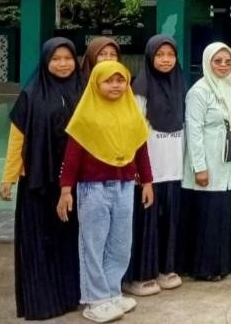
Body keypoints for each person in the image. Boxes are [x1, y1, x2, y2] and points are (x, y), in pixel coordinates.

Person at [57, 61, 153, 323]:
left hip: (124, 186)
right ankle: (95, 299)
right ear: (96, 83)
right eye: (109, 81)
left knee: (121, 244)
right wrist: (66, 190)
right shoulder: (86, 115)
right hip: (93, 187)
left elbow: (140, 149)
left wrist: (147, 182)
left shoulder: (131, 112)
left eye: (120, 80)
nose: (115, 85)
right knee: (93, 244)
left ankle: (112, 292)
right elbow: (72, 156)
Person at [0, 38, 84, 320]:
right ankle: (41, 302)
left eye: (67, 58)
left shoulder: (83, 92)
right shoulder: (31, 94)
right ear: (46, 62)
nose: (62, 64)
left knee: (67, 240)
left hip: (72, 183)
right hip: (37, 181)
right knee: (40, 242)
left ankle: (68, 297)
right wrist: (8, 178)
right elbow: (17, 139)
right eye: (56, 59)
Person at [124, 35, 187, 297]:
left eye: (170, 55)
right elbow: (135, 131)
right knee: (145, 223)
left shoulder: (180, 85)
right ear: (150, 56)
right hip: (148, 170)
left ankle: (165, 268)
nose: (165, 60)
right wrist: (139, 169)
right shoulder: (139, 88)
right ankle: (140, 274)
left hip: (174, 167)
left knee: (169, 220)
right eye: (160, 55)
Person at [181, 42, 231, 282]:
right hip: (207, 160)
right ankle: (206, 267)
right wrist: (200, 167)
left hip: (228, 160)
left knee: (226, 208)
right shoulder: (199, 91)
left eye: (228, 61)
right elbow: (193, 131)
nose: (224, 66)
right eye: (218, 61)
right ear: (208, 62)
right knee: (209, 212)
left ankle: (227, 260)